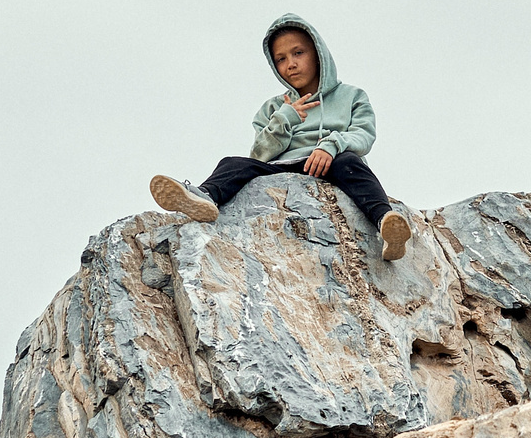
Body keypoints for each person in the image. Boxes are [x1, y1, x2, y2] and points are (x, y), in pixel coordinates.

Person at [150, 13, 413, 259]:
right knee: (232, 163)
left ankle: (387, 224)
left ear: (318, 54)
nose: (291, 64)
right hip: (284, 166)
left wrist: (331, 146)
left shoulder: (352, 96)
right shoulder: (273, 107)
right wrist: (285, 118)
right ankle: (203, 197)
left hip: (332, 163)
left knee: (351, 163)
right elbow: (260, 154)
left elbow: (363, 134)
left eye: (298, 53)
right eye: (281, 59)